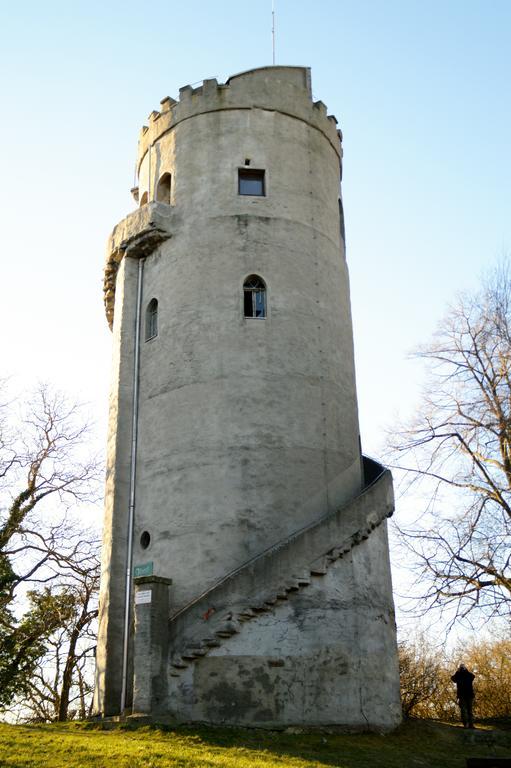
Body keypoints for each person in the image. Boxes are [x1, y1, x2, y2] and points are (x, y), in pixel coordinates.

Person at [451, 664, 475, 728]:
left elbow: (473, 676)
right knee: (467, 710)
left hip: (466, 695)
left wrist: (458, 671)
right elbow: (453, 679)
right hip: (466, 695)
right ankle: (469, 724)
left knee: (466, 710)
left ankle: (469, 724)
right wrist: (459, 672)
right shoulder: (460, 675)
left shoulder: (466, 675)